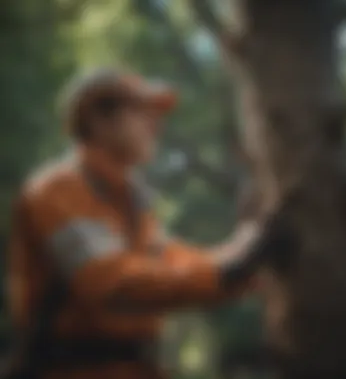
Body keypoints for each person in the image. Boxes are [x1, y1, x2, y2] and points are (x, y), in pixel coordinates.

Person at [6, 68, 289, 379]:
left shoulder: (130, 203)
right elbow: (112, 283)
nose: (156, 125)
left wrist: (246, 250)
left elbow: (174, 263)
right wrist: (233, 266)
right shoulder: (58, 191)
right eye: (141, 112)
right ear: (98, 120)